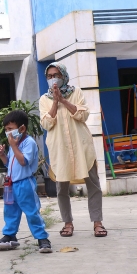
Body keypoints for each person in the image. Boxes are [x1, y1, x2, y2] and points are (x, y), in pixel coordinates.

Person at [39, 62, 107, 238]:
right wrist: (55, 102)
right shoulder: (43, 99)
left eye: (56, 75)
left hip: (81, 146)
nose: (53, 78)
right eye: (49, 76)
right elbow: (46, 123)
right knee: (61, 188)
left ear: (63, 76)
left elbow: (83, 114)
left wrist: (63, 100)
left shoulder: (76, 93)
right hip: (60, 149)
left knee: (93, 185)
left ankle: (97, 222)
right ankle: (67, 223)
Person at [0, 110, 52, 253]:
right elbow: (10, 164)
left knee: (32, 211)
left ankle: (42, 238)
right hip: (11, 183)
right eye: (6, 129)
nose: (7, 133)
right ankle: (9, 235)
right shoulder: (15, 144)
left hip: (25, 183)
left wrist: (13, 145)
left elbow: (24, 161)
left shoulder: (28, 143)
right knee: (10, 211)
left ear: (22, 128)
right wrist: (2, 155)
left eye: (10, 129)